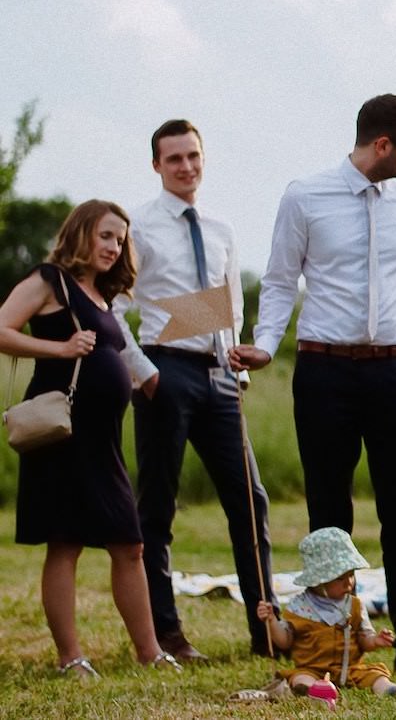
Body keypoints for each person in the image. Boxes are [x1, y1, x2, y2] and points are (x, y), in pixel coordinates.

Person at [230, 93, 396, 689]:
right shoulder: (305, 195)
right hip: (325, 372)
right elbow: (278, 280)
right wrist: (266, 343)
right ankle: (327, 648)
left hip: (395, 374)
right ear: (383, 144)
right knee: (329, 515)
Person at [114, 119, 275, 661]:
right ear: (157, 165)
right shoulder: (136, 226)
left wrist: (239, 369)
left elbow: (229, 306)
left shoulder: (222, 226)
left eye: (193, 156)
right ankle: (167, 634)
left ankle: (265, 628)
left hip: (220, 375)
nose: (186, 166)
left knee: (250, 501)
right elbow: (116, 312)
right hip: (164, 372)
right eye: (174, 158)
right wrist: (146, 373)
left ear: (204, 158)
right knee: (157, 507)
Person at [0, 200, 183, 677]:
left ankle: (150, 651)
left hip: (103, 443)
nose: (113, 246)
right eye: (105, 236)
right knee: (65, 543)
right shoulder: (49, 281)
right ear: (81, 232)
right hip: (63, 437)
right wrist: (58, 347)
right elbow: (1, 328)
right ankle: (71, 658)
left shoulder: (103, 294)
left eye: (120, 240)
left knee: (131, 544)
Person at [256, 527, 396, 698]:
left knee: (376, 676)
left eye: (351, 575)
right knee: (300, 677)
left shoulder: (354, 606)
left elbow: (363, 639)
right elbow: (284, 641)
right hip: (312, 670)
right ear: (319, 581)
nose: (349, 583)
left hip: (351, 670)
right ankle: (311, 691)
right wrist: (271, 621)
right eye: (340, 578)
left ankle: (395, 691)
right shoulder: (299, 607)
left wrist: (375, 641)